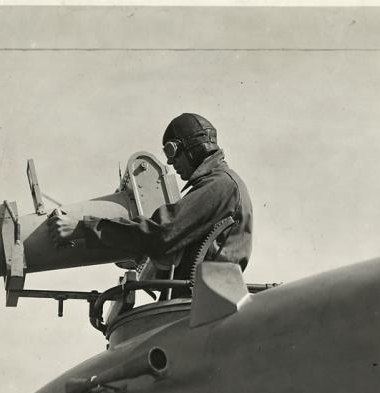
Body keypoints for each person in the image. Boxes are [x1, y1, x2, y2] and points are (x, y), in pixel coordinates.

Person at [48, 113, 253, 286]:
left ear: (193, 148)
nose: (170, 162)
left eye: (172, 151)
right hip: (200, 297)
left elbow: (162, 232)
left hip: (199, 301)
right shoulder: (218, 184)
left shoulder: (219, 185)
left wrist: (82, 228)